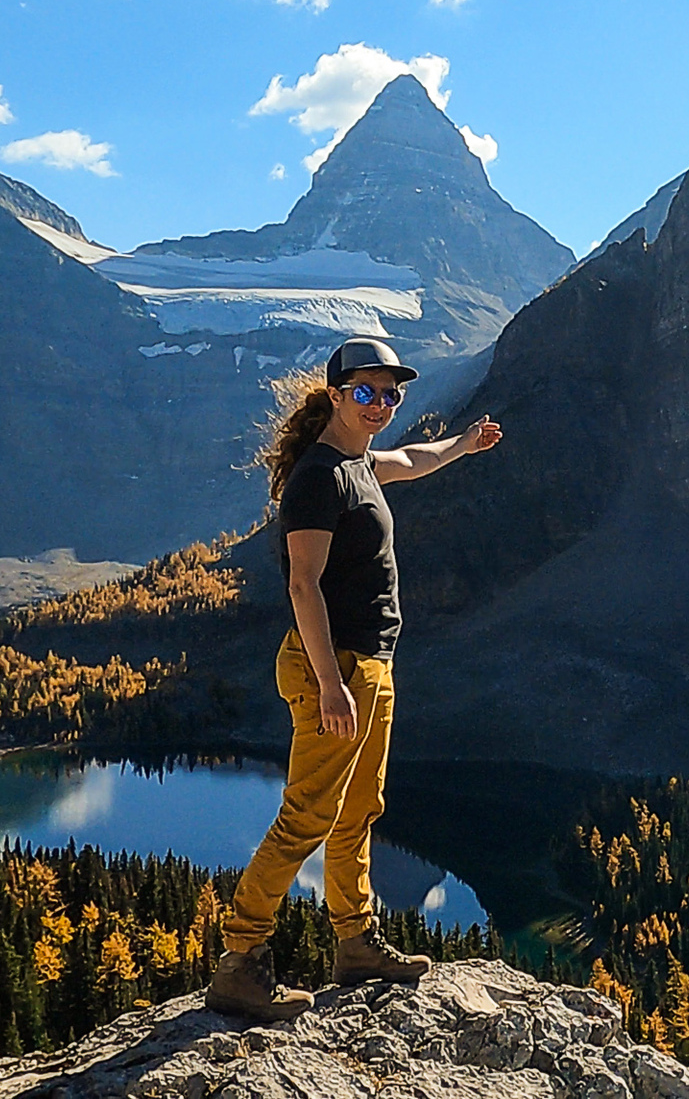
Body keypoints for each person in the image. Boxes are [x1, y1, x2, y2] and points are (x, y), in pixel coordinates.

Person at [205, 338, 503, 1020]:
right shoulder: (319, 476)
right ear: (335, 394)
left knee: (358, 808)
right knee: (308, 814)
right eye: (366, 392)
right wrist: (330, 683)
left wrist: (462, 443)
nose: (381, 405)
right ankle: (240, 961)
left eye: (391, 394)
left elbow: (411, 460)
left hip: (370, 665)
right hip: (333, 667)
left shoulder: (359, 462)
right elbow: (303, 584)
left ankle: (356, 943)